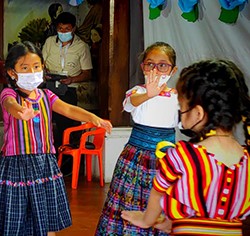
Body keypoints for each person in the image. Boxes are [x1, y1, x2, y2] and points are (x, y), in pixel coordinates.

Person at [0, 41, 112, 236]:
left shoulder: (46, 95)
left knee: (45, 217)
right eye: (24, 68)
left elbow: (68, 109)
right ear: (12, 72)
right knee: (12, 215)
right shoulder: (9, 93)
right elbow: (10, 105)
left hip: (44, 163)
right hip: (15, 164)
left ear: (43, 68)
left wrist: (93, 118)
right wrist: (21, 112)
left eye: (36, 67)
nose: (31, 71)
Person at [121, 59, 250, 235]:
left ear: (198, 113)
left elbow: (158, 193)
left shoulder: (182, 155)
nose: (180, 112)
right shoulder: (246, 158)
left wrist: (147, 219)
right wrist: (172, 223)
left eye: (181, 106)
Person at [95, 42, 178, 235]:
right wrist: (149, 94)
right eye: (150, 64)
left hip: (166, 159)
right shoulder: (137, 91)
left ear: (173, 70)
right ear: (143, 67)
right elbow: (130, 104)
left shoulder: (178, 96)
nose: (155, 69)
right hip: (135, 157)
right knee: (128, 199)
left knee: (162, 201)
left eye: (162, 65)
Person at [42, 12, 93, 174]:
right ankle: (48, 164)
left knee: (67, 128)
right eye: (60, 29)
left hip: (69, 88)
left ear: (74, 29)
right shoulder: (49, 42)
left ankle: (67, 167)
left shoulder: (81, 46)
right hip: (49, 86)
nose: (63, 32)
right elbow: (41, 63)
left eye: (67, 29)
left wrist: (71, 79)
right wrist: (45, 73)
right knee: (47, 125)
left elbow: (87, 73)